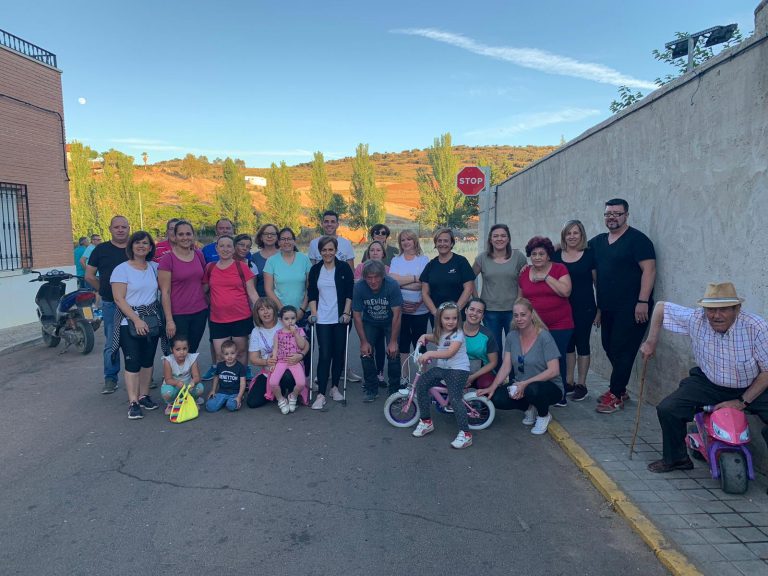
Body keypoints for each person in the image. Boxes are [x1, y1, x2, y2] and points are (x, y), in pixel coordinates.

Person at [640, 283, 768, 473]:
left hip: (751, 386)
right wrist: (651, 341)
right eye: (711, 310)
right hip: (709, 382)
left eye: (723, 309)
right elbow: (661, 307)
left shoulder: (756, 327)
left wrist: (741, 402)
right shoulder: (696, 319)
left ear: (737, 309)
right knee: (668, 409)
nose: (716, 316)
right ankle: (676, 459)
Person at [590, 198, 656, 414]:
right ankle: (620, 387)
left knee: (623, 348)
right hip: (608, 306)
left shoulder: (638, 240)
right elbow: (574, 247)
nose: (612, 217)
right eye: (608, 213)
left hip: (633, 307)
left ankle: (616, 394)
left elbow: (649, 270)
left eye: (617, 213)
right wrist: (547, 247)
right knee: (609, 346)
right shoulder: (598, 242)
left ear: (626, 215)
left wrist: (643, 301)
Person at [477, 298, 563, 435]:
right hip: (521, 386)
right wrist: (492, 387)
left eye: (523, 314)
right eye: (516, 315)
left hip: (548, 387)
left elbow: (554, 370)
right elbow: (506, 366)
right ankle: (529, 408)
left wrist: (525, 383)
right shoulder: (512, 337)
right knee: (495, 398)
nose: (519, 318)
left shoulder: (544, 337)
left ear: (531, 314)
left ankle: (543, 415)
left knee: (532, 389)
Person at [110, 230, 162, 420]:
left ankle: (144, 395)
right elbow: (118, 298)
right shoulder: (121, 269)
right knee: (132, 362)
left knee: (148, 361)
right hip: (128, 321)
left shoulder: (155, 267)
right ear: (131, 246)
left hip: (151, 320)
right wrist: (136, 319)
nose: (142, 246)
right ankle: (133, 401)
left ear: (150, 247)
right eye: (138, 243)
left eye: (146, 243)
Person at [518, 236, 573, 406]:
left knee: (556, 359)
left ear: (548, 255)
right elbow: (520, 299)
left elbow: (566, 292)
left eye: (541, 253)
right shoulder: (525, 272)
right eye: (534, 254)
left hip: (560, 324)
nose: (537, 257)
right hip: (534, 325)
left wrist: (546, 277)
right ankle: (539, 393)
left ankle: (560, 395)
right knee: (536, 359)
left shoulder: (559, 269)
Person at [411, 302, 473, 449]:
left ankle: (466, 434)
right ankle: (426, 421)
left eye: (454, 318)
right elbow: (434, 337)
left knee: (455, 397)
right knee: (422, 383)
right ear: (440, 319)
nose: (451, 321)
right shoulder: (441, 332)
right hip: (443, 368)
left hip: (458, 369)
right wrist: (423, 336)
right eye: (447, 318)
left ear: (458, 319)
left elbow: (449, 353)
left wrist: (430, 353)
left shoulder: (458, 334)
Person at [307, 236, 354, 409]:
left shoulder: (343, 268)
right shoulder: (315, 270)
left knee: (338, 352)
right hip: (323, 318)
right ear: (320, 252)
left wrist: (346, 312)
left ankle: (335, 387)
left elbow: (350, 292)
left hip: (340, 317)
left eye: (330, 249)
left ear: (335, 250)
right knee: (325, 353)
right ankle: (321, 394)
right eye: (324, 250)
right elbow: (312, 293)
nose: (327, 253)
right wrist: (313, 312)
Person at [552, 220, 597, 402]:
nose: (572, 236)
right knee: (568, 345)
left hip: (585, 307)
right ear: (564, 235)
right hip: (562, 307)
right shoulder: (556, 254)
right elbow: (537, 258)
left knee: (582, 344)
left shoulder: (589, 255)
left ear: (582, 235)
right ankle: (569, 381)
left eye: (575, 233)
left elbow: (597, 284)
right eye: (568, 233)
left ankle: (582, 384)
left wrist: (599, 309)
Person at [85, 216, 130, 394]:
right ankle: (110, 378)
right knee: (112, 343)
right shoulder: (100, 249)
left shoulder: (135, 248)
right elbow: (89, 276)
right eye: (116, 227)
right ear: (110, 229)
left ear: (129, 228)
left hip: (134, 304)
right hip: (111, 304)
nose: (120, 230)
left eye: (124, 227)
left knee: (136, 340)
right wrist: (104, 290)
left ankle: (142, 377)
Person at [203, 235, 258, 371]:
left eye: (229, 246)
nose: (225, 249)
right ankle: (225, 384)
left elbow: (252, 293)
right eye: (222, 246)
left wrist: (262, 312)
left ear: (234, 249)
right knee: (221, 355)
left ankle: (241, 380)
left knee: (240, 353)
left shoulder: (242, 267)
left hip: (241, 317)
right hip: (218, 319)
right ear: (216, 248)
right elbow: (204, 291)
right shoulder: (210, 268)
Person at [472, 224, 527, 353]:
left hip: (513, 310)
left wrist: (520, 301)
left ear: (508, 239)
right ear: (490, 239)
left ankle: (515, 374)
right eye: (495, 236)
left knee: (515, 347)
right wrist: (476, 299)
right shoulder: (482, 258)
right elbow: (469, 279)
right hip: (490, 311)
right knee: (493, 349)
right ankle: (495, 373)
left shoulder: (518, 257)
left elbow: (525, 280)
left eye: (503, 236)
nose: (499, 239)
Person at [352, 260, 402, 401]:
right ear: (364, 277)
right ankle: (371, 389)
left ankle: (394, 390)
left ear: (382, 276)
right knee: (366, 353)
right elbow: (356, 315)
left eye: (376, 277)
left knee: (393, 353)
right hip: (370, 322)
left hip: (390, 321)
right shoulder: (359, 287)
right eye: (369, 277)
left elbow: (397, 315)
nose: (373, 281)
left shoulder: (392, 285)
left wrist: (392, 342)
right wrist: (363, 342)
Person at [158, 220, 208, 354]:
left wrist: (199, 297)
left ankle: (192, 375)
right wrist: (169, 320)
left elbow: (204, 281)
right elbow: (165, 292)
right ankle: (173, 375)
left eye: (188, 234)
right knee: (179, 352)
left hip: (199, 311)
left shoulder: (199, 255)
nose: (185, 237)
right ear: (174, 237)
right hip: (178, 314)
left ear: (193, 236)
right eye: (181, 234)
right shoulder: (167, 259)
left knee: (192, 350)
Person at [389, 229, 430, 384]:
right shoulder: (396, 260)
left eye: (409, 239)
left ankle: (423, 378)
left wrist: (405, 283)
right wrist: (414, 279)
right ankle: (404, 377)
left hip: (420, 309)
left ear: (415, 241)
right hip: (401, 309)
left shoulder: (423, 260)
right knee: (404, 343)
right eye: (403, 240)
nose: (406, 242)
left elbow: (424, 284)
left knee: (420, 344)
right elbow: (393, 282)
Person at [247, 298, 303, 409]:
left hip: (288, 367)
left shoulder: (285, 322)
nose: (266, 312)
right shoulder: (256, 331)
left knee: (287, 375)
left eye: (268, 308)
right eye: (261, 309)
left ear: (274, 310)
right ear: (257, 313)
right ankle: (278, 392)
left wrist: (301, 355)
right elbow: (253, 359)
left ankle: (291, 393)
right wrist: (266, 361)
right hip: (268, 371)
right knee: (252, 402)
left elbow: (305, 345)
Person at [200, 218, 235, 380]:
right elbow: (202, 278)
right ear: (216, 231)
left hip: (235, 303)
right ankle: (216, 366)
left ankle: (238, 370)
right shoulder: (206, 250)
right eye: (221, 228)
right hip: (214, 302)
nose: (225, 230)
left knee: (239, 339)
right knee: (215, 338)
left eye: (228, 228)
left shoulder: (239, 248)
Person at [353, 240, 390, 384]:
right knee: (368, 344)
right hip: (366, 312)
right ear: (368, 253)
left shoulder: (387, 269)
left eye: (378, 250)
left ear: (383, 253)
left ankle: (380, 372)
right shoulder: (361, 267)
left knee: (380, 344)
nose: (375, 252)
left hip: (383, 313)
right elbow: (358, 284)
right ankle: (370, 377)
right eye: (372, 250)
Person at [420, 228, 475, 317]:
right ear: (435, 243)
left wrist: (455, 311)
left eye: (446, 241)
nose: (442, 244)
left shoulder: (461, 262)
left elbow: (469, 289)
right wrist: (435, 312)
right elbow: (424, 292)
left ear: (451, 243)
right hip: (437, 316)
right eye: (439, 241)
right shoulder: (431, 265)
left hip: (458, 315)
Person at [268, 306, 309, 414]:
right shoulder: (278, 333)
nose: (290, 321)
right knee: (273, 382)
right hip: (281, 361)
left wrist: (295, 333)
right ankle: (281, 399)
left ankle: (293, 395)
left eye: (293, 318)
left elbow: (302, 345)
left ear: (296, 319)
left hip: (294, 362)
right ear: (281, 320)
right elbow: (275, 349)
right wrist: (273, 361)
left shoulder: (300, 331)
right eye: (286, 319)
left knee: (301, 382)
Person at [161, 334, 204, 415]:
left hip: (188, 386)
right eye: (178, 349)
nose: (182, 352)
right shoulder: (168, 360)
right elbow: (168, 380)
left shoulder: (192, 358)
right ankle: (171, 404)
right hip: (174, 386)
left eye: (185, 349)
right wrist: (177, 383)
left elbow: (197, 376)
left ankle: (192, 400)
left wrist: (193, 382)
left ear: (188, 348)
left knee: (200, 388)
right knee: (167, 393)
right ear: (172, 349)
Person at [462, 298, 499, 390]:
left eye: (479, 311)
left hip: (481, 372)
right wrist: (425, 336)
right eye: (472, 309)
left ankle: (481, 403)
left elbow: (493, 362)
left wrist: (473, 377)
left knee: (487, 384)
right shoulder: (455, 329)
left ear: (482, 316)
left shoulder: (487, 335)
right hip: (458, 369)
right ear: (466, 311)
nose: (474, 313)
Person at [206, 339, 246, 412]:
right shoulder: (220, 365)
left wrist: (239, 396)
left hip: (234, 393)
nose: (229, 356)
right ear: (222, 354)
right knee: (210, 406)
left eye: (232, 353)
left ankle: (235, 400)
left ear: (236, 352)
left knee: (231, 406)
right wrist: (213, 390)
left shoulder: (240, 367)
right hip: (222, 392)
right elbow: (216, 377)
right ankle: (223, 401)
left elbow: (243, 383)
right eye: (226, 354)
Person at [252, 224, 279, 297]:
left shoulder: (284, 255)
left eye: (273, 234)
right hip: (263, 303)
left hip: (284, 302)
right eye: (266, 234)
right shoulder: (254, 258)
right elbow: (252, 287)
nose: (269, 236)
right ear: (261, 237)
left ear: (277, 237)